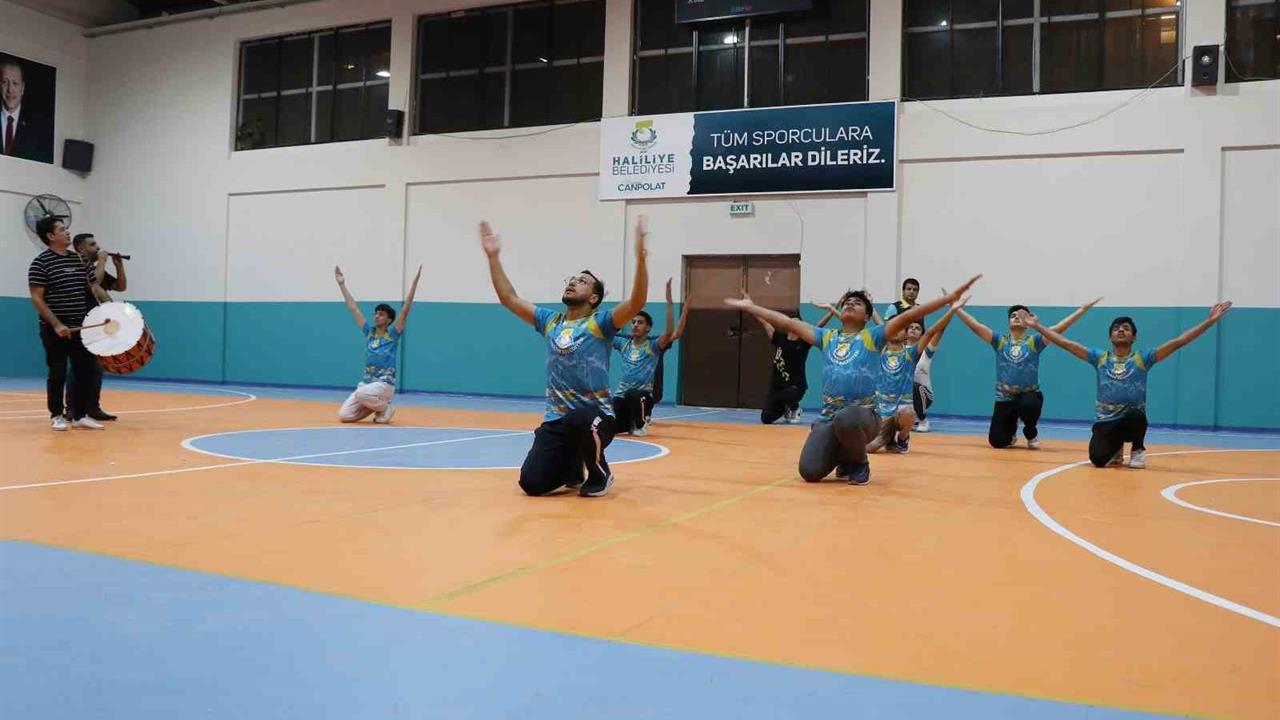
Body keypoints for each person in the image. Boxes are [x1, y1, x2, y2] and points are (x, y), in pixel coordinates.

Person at [726, 275, 980, 486]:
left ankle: (860, 462)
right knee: (809, 472)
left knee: (846, 418)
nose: (850, 304)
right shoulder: (826, 337)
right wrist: (751, 307)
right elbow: (786, 322)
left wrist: (947, 300)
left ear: (867, 317)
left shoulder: (873, 337)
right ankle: (845, 455)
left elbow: (905, 318)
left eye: (857, 303)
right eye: (847, 301)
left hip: (865, 417)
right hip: (828, 418)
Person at [481, 217, 650, 498]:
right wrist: (493, 256)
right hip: (555, 420)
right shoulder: (550, 321)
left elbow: (637, 303)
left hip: (596, 419)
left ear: (594, 298)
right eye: (571, 279)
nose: (572, 282)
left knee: (579, 420)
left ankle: (599, 472)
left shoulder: (601, 323)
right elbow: (509, 298)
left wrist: (641, 257)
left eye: (582, 281)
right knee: (532, 484)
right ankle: (573, 467)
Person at [1024, 303, 1232, 469]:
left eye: (1126, 328)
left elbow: (1180, 341)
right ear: (1110, 337)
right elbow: (1065, 343)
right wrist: (1037, 326)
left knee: (1136, 414)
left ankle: (1137, 449)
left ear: (1134, 337)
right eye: (1116, 328)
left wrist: (1210, 321)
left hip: (1130, 420)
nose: (1120, 330)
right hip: (1106, 421)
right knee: (1097, 460)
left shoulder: (1143, 358)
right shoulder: (1099, 358)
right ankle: (1115, 449)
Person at [953, 298, 1101, 449]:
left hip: (1028, 395)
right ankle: (1011, 430)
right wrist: (956, 308)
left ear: (1028, 322)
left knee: (1028, 404)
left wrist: (1082, 310)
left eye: (1021, 315)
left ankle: (1031, 432)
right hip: (1005, 398)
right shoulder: (1000, 341)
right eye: (1013, 316)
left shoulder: (1034, 342)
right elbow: (976, 326)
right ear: (1008, 322)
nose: (1016, 317)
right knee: (997, 442)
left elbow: (1058, 329)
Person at [28, 217, 109, 431]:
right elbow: (37, 297)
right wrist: (55, 324)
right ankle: (56, 415)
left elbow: (94, 286)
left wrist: (113, 309)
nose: (68, 232)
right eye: (62, 229)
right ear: (51, 236)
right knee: (57, 372)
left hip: (80, 327)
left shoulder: (78, 260)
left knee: (86, 370)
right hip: (55, 329)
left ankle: (79, 414)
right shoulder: (41, 263)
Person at [867, 299, 965, 453]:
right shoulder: (881, 350)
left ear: (905, 335)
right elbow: (880, 323)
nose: (895, 330)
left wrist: (951, 311)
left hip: (901, 411)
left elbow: (932, 331)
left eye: (899, 328)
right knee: (869, 448)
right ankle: (887, 438)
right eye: (892, 327)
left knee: (908, 412)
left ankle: (903, 438)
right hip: (881, 411)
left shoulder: (911, 354)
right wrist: (870, 306)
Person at [334, 264, 421, 424]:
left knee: (361, 394)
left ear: (388, 320)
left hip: (384, 385)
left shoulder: (393, 335)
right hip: (367, 385)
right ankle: (376, 407)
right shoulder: (369, 333)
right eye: (376, 313)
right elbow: (353, 309)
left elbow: (405, 310)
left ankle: (385, 406)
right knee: (344, 416)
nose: (376, 316)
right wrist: (341, 284)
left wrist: (414, 284)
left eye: (381, 314)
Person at [612, 277, 688, 436]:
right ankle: (629, 423)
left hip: (642, 396)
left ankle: (642, 422)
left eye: (640, 322)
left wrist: (669, 302)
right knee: (613, 427)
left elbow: (670, 333)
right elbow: (604, 332)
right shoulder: (624, 343)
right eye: (633, 322)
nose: (635, 325)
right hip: (621, 396)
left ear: (648, 327)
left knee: (634, 394)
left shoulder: (653, 346)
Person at [65, 233, 127, 422]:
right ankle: (72, 408)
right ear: (81, 249)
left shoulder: (96, 267)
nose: (98, 248)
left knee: (96, 367)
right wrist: (102, 262)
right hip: (79, 322)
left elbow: (120, 286)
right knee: (78, 367)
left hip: (97, 323)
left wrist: (119, 266)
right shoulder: (76, 266)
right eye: (93, 245)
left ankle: (92, 407)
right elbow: (93, 284)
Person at [750, 306, 811, 425]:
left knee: (788, 394)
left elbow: (818, 328)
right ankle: (785, 408)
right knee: (766, 419)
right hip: (777, 387)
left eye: (798, 323)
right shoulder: (780, 338)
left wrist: (830, 312)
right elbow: (764, 321)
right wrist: (750, 306)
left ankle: (794, 408)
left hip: (795, 387)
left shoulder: (803, 343)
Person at [1, 58, 53, 162]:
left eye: (15, 83)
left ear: (23, 88)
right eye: (4, 82)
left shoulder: (40, 127)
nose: (10, 90)